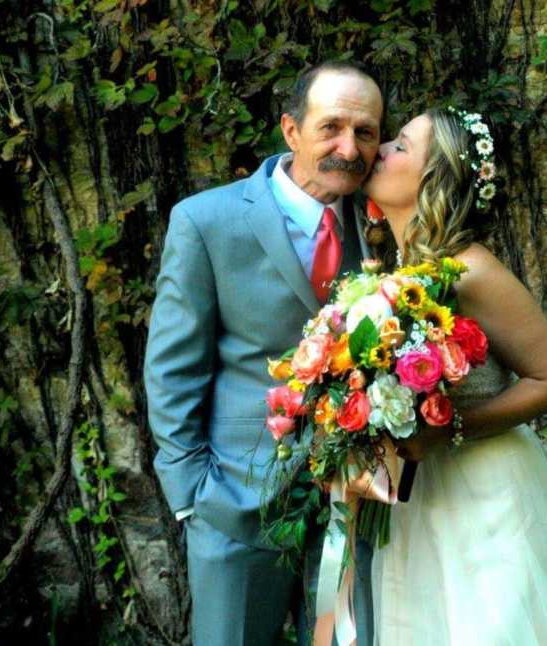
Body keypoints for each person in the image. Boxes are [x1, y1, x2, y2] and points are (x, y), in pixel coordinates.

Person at [144, 61, 383, 645]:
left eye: (366, 132)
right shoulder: (207, 221)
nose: (348, 148)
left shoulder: (386, 224)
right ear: (291, 130)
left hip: (353, 509)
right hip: (233, 503)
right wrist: (191, 496)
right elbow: (174, 366)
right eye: (331, 127)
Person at [363, 107, 547, 645]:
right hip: (420, 498)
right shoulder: (395, 272)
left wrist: (448, 430)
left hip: (485, 493)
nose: (379, 149)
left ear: (435, 178)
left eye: (401, 145)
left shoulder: (471, 268)